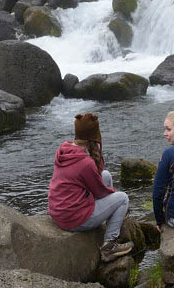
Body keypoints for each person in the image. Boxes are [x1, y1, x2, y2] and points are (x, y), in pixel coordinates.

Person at [48, 112, 133, 262]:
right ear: (93, 138)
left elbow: (98, 175)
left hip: (58, 212)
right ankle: (109, 246)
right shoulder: (85, 163)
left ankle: (109, 218)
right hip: (74, 219)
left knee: (105, 175)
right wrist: (114, 195)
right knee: (122, 199)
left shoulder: (64, 149)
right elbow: (100, 192)